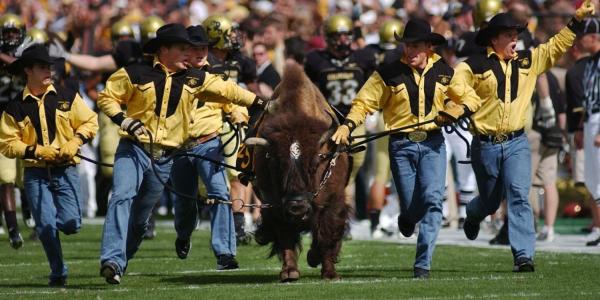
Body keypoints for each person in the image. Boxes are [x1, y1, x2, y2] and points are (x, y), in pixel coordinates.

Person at [97, 23, 265, 285]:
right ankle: (112, 260)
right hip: (134, 148)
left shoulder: (197, 78)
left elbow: (229, 92)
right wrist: (123, 119)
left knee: (141, 220)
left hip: (167, 156)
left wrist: (261, 104)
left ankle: (120, 262)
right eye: (183, 48)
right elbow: (106, 97)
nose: (191, 53)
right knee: (121, 195)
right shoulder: (135, 73)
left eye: (194, 48)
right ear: (164, 50)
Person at [439, 2, 594, 272]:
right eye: (510, 35)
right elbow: (456, 85)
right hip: (485, 145)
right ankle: (474, 214)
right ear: (494, 38)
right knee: (489, 201)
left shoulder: (528, 60)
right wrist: (464, 102)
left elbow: (555, 46)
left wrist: (576, 22)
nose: (516, 39)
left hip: (517, 143)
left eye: (517, 34)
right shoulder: (472, 65)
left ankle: (524, 255)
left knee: (519, 196)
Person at [332, 18, 452, 279]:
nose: (409, 51)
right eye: (406, 46)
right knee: (411, 204)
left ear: (429, 46)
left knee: (433, 200)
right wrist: (347, 125)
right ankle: (407, 217)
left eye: (416, 46)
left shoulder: (444, 71)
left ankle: (423, 263)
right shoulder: (387, 73)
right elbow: (364, 102)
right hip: (402, 144)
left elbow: (465, 97)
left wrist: (455, 111)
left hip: (433, 143)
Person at [0, 44, 98, 286]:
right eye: (43, 67)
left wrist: (75, 141)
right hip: (35, 173)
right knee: (44, 226)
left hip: (66, 170)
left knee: (72, 224)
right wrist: (35, 150)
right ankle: (58, 271)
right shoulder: (14, 107)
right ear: (28, 71)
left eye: (49, 66)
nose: (49, 71)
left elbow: (90, 121)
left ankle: (52, 225)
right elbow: (6, 143)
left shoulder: (67, 96)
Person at [171, 25, 245, 270]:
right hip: (180, 146)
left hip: (209, 143)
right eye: (195, 48)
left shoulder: (217, 76)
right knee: (184, 202)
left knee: (219, 193)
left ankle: (225, 252)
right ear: (184, 51)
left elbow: (232, 99)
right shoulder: (171, 77)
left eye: (204, 47)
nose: (202, 52)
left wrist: (238, 113)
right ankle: (183, 234)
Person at [304, 14, 376, 223]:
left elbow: (375, 86)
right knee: (325, 164)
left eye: (347, 35)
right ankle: (327, 211)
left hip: (357, 119)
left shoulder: (363, 57)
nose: (344, 40)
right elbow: (310, 90)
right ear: (328, 37)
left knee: (353, 167)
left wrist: (374, 111)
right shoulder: (316, 59)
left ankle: (343, 214)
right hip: (329, 121)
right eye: (339, 35)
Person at [203, 15, 259, 244]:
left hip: (236, 122)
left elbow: (254, 91)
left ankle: (237, 226)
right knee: (204, 182)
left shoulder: (241, 61)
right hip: (206, 123)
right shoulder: (202, 61)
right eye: (229, 33)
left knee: (238, 174)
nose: (234, 37)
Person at [0, 12, 26, 248]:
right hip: (2, 121)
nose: (10, 36)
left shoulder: (27, 51)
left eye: (14, 32)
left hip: (24, 120)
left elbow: (21, 68)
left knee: (26, 178)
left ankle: (31, 218)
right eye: (6, 32)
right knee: (6, 178)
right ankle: (13, 230)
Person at [576, 18, 600, 246]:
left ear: (593, 36)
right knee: (592, 179)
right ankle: (598, 226)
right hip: (591, 118)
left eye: (582, 36)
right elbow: (587, 99)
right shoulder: (590, 62)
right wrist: (581, 127)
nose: (578, 41)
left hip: (599, 119)